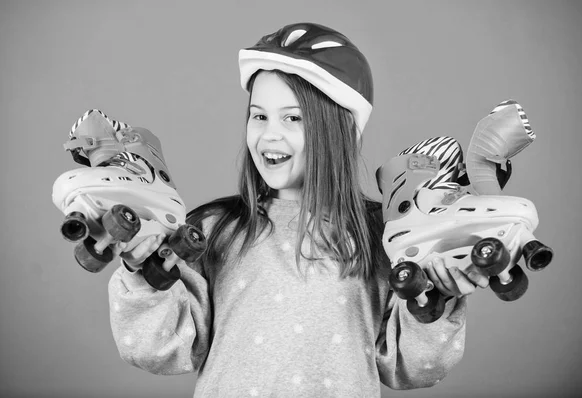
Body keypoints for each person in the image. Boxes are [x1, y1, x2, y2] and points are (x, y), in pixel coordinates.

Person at [108, 22, 489, 397]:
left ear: (338, 129)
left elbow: (411, 367)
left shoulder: (386, 236)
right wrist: (144, 275)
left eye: (292, 118)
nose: (269, 134)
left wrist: (434, 299)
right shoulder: (212, 230)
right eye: (259, 116)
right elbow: (158, 350)